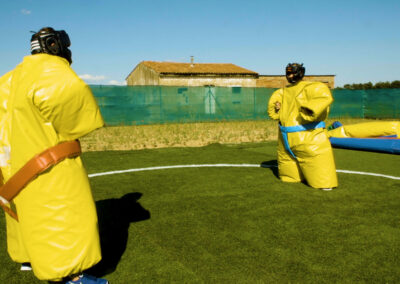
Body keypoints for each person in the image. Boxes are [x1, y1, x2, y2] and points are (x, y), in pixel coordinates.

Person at [0, 27, 108, 283]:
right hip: (48, 167)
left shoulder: (9, 78)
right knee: (62, 211)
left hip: (12, 165)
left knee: (26, 211)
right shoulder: (53, 73)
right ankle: (71, 276)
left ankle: (29, 257)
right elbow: (77, 123)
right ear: (54, 45)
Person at [267, 63, 338, 190]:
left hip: (309, 137)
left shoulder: (313, 88)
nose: (290, 76)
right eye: (288, 73)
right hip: (285, 140)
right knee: (289, 176)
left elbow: (322, 100)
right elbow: (276, 113)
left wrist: (309, 110)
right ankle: (294, 176)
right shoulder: (283, 92)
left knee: (322, 180)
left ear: (300, 73)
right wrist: (278, 108)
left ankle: (322, 182)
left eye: (292, 72)